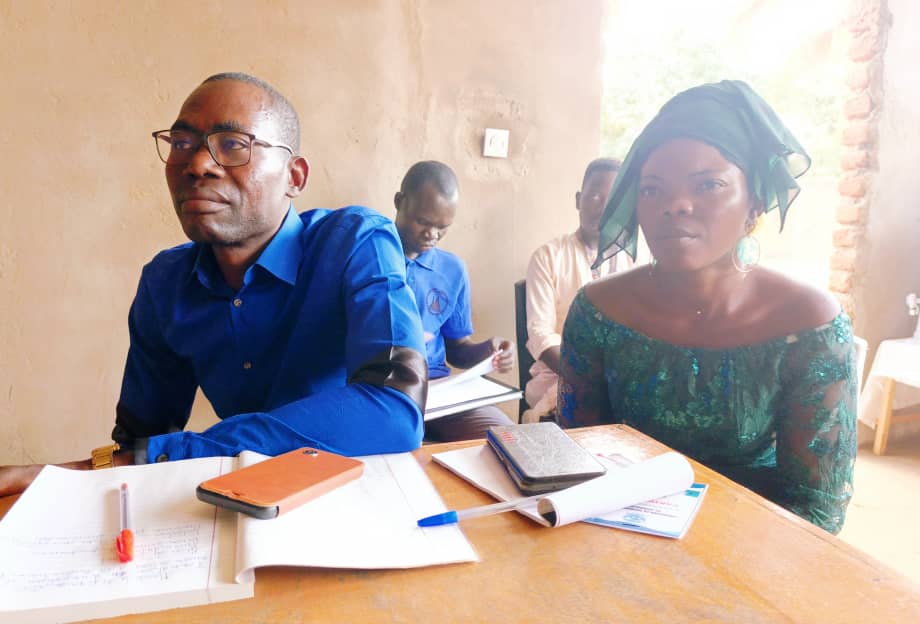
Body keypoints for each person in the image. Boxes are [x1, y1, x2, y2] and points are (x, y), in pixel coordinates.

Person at [0, 73, 427, 497]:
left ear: (294, 177)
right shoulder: (165, 284)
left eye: (233, 145)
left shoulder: (355, 242)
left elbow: (392, 413)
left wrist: (169, 455)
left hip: (355, 495)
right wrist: (71, 483)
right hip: (229, 501)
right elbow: (139, 443)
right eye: (182, 144)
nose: (197, 164)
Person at [557, 80, 857, 534]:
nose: (676, 205)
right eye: (653, 190)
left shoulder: (808, 324)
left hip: (756, 557)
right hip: (618, 545)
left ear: (754, 198)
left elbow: (816, 508)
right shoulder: (600, 312)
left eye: (708, 184)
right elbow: (578, 466)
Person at [393, 161, 515, 441]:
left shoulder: (452, 270)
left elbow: (457, 349)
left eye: (442, 227)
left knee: (508, 440)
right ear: (400, 202)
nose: (431, 235)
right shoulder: (372, 255)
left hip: (438, 391)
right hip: (386, 388)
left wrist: (488, 351)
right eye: (423, 222)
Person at [523, 157, 632, 423]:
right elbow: (540, 334)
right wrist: (588, 376)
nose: (603, 207)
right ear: (578, 200)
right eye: (595, 196)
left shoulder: (635, 261)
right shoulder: (548, 256)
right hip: (558, 376)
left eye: (613, 199)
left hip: (620, 380)